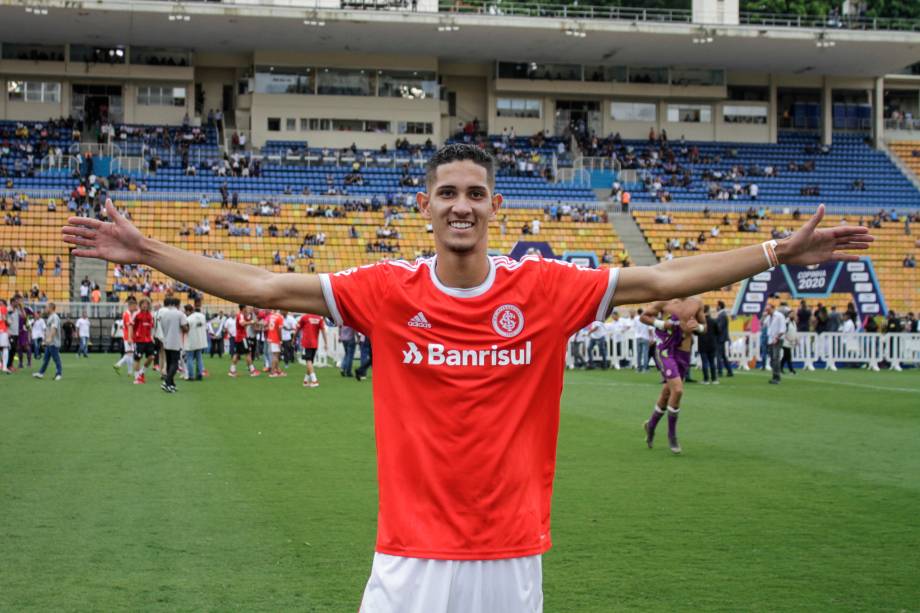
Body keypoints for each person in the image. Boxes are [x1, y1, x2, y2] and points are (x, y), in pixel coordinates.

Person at [62, 144, 872, 612]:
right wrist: (152, 252)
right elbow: (269, 289)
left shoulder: (543, 289)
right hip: (408, 558)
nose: (461, 204)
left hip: (510, 557)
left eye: (475, 194)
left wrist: (777, 251)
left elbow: (662, 283)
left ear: (495, 208)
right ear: (426, 206)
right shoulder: (387, 290)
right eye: (447, 192)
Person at [640, 297, 704, 454]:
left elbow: (705, 327)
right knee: (678, 390)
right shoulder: (665, 300)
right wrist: (662, 324)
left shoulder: (697, 302)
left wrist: (698, 327)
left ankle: (651, 426)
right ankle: (672, 435)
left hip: (684, 352)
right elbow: (644, 316)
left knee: (667, 393)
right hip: (666, 350)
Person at [158, 297, 189, 393]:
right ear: (178, 304)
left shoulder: (164, 314)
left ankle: (171, 385)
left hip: (166, 340)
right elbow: (185, 327)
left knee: (169, 363)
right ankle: (166, 382)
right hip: (176, 341)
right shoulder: (180, 314)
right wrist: (187, 328)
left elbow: (162, 327)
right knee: (175, 364)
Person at [296, 311, 327, 387]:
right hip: (315, 343)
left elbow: (297, 328)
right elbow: (323, 330)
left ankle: (314, 380)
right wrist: (326, 342)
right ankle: (306, 381)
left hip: (306, 342)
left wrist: (294, 338)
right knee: (310, 362)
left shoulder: (304, 317)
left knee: (308, 361)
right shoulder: (319, 318)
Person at [32, 303, 62, 380]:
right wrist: (46, 340)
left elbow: (54, 329)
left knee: (56, 358)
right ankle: (41, 373)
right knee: (46, 359)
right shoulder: (50, 317)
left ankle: (59, 374)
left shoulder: (54, 317)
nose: (45, 309)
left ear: (51, 308)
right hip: (49, 343)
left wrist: (49, 339)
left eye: (46, 307)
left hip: (53, 342)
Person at [229, 304, 260, 378]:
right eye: (246, 307)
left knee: (237, 354)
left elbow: (246, 320)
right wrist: (252, 321)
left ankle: (232, 371)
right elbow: (242, 323)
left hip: (239, 337)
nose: (247, 308)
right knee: (248, 353)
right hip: (242, 338)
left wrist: (251, 318)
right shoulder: (240, 315)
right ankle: (252, 371)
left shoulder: (242, 315)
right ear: (243, 308)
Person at [132, 297, 157, 385]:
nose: (145, 305)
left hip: (148, 340)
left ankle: (142, 372)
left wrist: (152, 337)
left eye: (147, 304)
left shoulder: (151, 315)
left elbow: (152, 327)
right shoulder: (136, 314)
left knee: (152, 357)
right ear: (140, 305)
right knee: (137, 358)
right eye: (143, 304)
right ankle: (136, 378)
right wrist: (131, 338)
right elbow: (131, 326)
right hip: (139, 340)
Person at [113, 296, 138, 375]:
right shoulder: (127, 315)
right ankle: (118, 364)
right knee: (130, 354)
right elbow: (129, 326)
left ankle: (129, 372)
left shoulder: (127, 314)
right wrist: (130, 338)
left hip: (128, 336)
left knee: (130, 354)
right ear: (130, 306)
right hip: (128, 337)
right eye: (135, 306)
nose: (135, 308)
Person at [184, 303, 208, 381]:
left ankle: (191, 376)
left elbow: (186, 330)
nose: (185, 313)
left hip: (191, 340)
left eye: (185, 311)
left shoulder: (188, 319)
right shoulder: (202, 316)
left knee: (189, 358)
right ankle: (199, 374)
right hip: (200, 340)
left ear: (188, 311)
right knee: (199, 358)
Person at [765, 303, 786, 384]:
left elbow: (782, 329)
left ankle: (777, 377)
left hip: (777, 339)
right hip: (770, 339)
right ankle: (774, 376)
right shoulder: (769, 317)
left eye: (768, 309)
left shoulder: (779, 316)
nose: (767, 311)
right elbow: (764, 324)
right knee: (772, 359)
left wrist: (777, 337)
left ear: (773, 308)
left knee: (775, 358)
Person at [698, 305, 719, 384]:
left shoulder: (700, 322)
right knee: (712, 362)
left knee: (705, 362)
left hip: (702, 344)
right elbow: (718, 331)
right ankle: (714, 379)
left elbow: (696, 332)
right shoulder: (713, 321)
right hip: (712, 344)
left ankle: (706, 379)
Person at [265, 309, 286, 377]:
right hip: (275, 338)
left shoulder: (272, 316)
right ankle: (272, 372)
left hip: (270, 336)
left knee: (276, 355)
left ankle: (277, 370)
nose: (286, 312)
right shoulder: (280, 317)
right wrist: (280, 340)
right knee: (276, 356)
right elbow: (279, 330)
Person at [715, 300, 733, 377]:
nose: (716, 307)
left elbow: (720, 328)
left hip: (720, 338)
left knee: (719, 355)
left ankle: (720, 371)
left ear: (719, 306)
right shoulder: (722, 315)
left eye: (717, 305)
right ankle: (729, 371)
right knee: (723, 355)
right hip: (721, 338)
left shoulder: (722, 315)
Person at [0, 298, 9, 373]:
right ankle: (4, 367)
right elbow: (4, 318)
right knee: (5, 347)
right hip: (2, 330)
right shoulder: (3, 308)